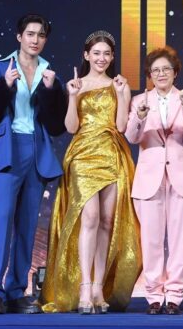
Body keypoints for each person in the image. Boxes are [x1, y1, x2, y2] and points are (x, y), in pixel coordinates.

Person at [0, 14, 67, 314]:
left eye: (41, 35)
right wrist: (3, 86)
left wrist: (51, 92)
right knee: (3, 218)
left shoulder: (50, 74)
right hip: (9, 151)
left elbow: (57, 127)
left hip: (37, 152)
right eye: (30, 34)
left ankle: (16, 291)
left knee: (27, 225)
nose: (35, 40)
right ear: (19, 37)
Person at [40, 30, 142, 314]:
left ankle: (98, 287)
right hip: (83, 155)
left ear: (112, 57)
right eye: (96, 53)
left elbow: (121, 126)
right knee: (90, 217)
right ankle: (84, 286)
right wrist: (73, 97)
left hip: (111, 153)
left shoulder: (119, 85)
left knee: (107, 221)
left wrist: (121, 94)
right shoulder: (76, 85)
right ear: (86, 55)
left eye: (107, 54)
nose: (102, 58)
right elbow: (70, 127)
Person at [125, 46, 183, 315]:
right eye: (155, 70)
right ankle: (153, 296)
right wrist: (139, 117)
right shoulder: (139, 101)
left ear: (175, 72)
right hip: (149, 178)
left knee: (179, 241)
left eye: (166, 69)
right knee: (151, 240)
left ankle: (174, 296)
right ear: (149, 74)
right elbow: (132, 137)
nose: (161, 74)